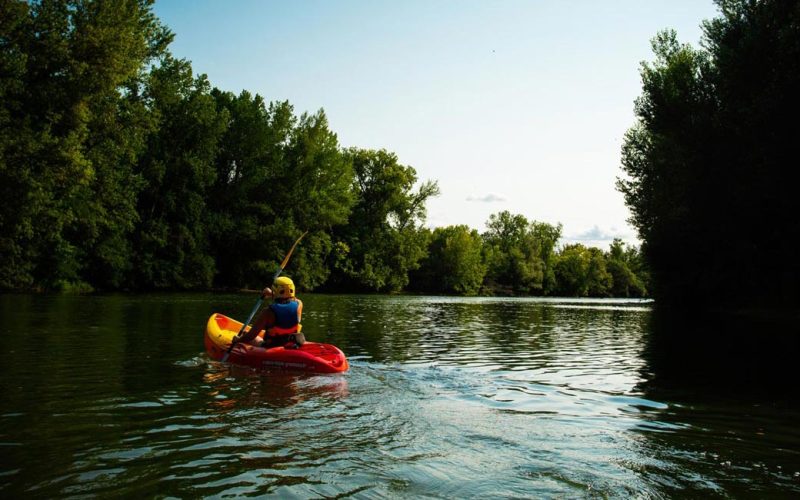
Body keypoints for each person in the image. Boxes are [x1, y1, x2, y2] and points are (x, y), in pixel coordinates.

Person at [232, 276, 305, 349]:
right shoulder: (299, 304)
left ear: (274, 290)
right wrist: (272, 294)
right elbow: (291, 299)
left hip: (273, 346)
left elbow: (251, 336)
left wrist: (238, 340)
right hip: (292, 342)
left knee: (246, 334)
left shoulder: (268, 311)